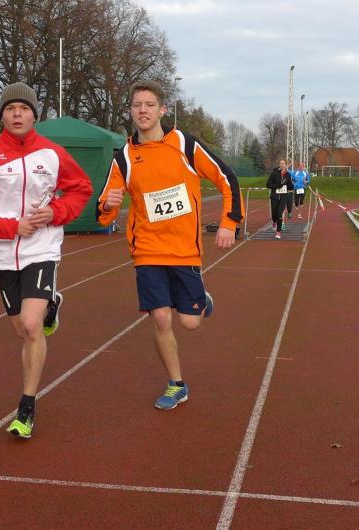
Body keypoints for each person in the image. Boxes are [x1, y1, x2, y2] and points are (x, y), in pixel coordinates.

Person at [95, 79, 243, 411]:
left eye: (149, 105)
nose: (143, 110)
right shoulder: (124, 158)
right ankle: (176, 385)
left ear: (162, 109)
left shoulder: (184, 144)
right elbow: (103, 212)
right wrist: (108, 205)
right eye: (137, 105)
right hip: (147, 251)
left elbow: (227, 178)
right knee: (161, 318)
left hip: (184, 249)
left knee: (190, 323)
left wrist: (229, 223)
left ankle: (201, 299)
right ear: (130, 111)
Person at [0, 82, 93, 439]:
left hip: (41, 248)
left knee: (32, 327)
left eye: (24, 108)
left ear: (34, 115)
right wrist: (9, 227)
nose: (17, 114)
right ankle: (51, 305)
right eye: (10, 108)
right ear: (2, 115)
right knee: (21, 328)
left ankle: (27, 407)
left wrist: (55, 212)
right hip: (2, 253)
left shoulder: (52, 154)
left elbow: (80, 189)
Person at [266, 158, 292, 239]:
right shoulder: (274, 173)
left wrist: (291, 185)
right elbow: (268, 184)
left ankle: (278, 232)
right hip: (274, 196)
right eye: (280, 163)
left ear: (286, 165)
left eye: (283, 163)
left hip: (284, 197)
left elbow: (290, 185)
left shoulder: (288, 174)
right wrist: (277, 186)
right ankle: (274, 221)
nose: (282, 165)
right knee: (274, 214)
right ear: (279, 165)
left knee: (279, 213)